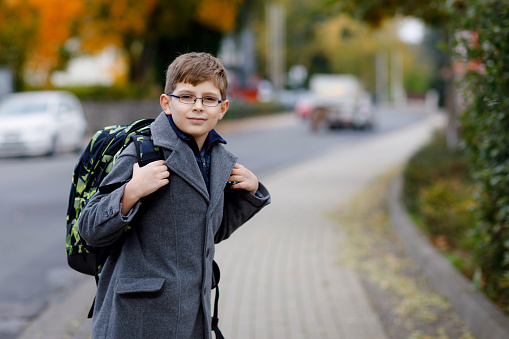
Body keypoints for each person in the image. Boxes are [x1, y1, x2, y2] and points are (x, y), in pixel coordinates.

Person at [78, 52, 271, 338]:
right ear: (166, 103)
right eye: (186, 96)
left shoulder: (219, 160)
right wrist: (131, 191)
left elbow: (208, 233)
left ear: (223, 108)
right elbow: (90, 228)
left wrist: (250, 193)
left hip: (193, 316)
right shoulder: (143, 152)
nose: (197, 106)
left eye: (208, 99)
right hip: (137, 319)